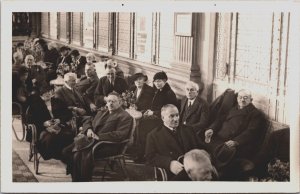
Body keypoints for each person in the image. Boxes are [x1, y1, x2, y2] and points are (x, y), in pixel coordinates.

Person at [61, 92, 133, 182]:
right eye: (109, 101)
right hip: (92, 140)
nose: (110, 103)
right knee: (66, 151)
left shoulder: (125, 116)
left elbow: (120, 135)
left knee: (78, 155)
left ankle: (81, 181)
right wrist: (89, 130)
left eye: (113, 101)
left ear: (120, 102)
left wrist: (98, 136)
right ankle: (77, 174)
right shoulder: (103, 111)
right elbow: (89, 121)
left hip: (109, 145)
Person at [203, 89, 269, 176]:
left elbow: (250, 132)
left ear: (251, 100)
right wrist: (212, 129)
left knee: (224, 150)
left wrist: (236, 141)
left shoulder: (255, 114)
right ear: (237, 98)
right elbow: (220, 120)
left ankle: (214, 170)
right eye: (240, 97)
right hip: (220, 137)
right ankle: (205, 165)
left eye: (245, 98)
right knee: (201, 140)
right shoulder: (233, 108)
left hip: (237, 143)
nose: (242, 100)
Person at [37, 72, 90, 161]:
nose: (48, 95)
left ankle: (65, 155)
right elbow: (33, 119)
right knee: (50, 138)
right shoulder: (37, 105)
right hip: (45, 127)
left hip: (59, 125)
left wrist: (59, 120)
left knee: (68, 135)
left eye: (49, 93)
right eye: (45, 94)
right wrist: (45, 123)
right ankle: (56, 154)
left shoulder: (55, 101)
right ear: (41, 95)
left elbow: (65, 113)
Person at [145, 104, 204, 180]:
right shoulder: (153, 135)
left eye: (177, 115)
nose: (176, 119)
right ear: (163, 118)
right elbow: (150, 157)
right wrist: (169, 163)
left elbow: (202, 147)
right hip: (175, 174)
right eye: (172, 116)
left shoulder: (189, 129)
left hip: (195, 167)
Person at [134, 71, 177, 163]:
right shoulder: (158, 90)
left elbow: (170, 112)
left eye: (159, 81)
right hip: (156, 117)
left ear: (165, 81)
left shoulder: (168, 93)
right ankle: (142, 153)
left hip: (164, 121)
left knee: (144, 128)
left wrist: (153, 112)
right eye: (155, 81)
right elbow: (154, 105)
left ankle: (146, 155)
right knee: (141, 124)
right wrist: (149, 111)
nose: (157, 83)